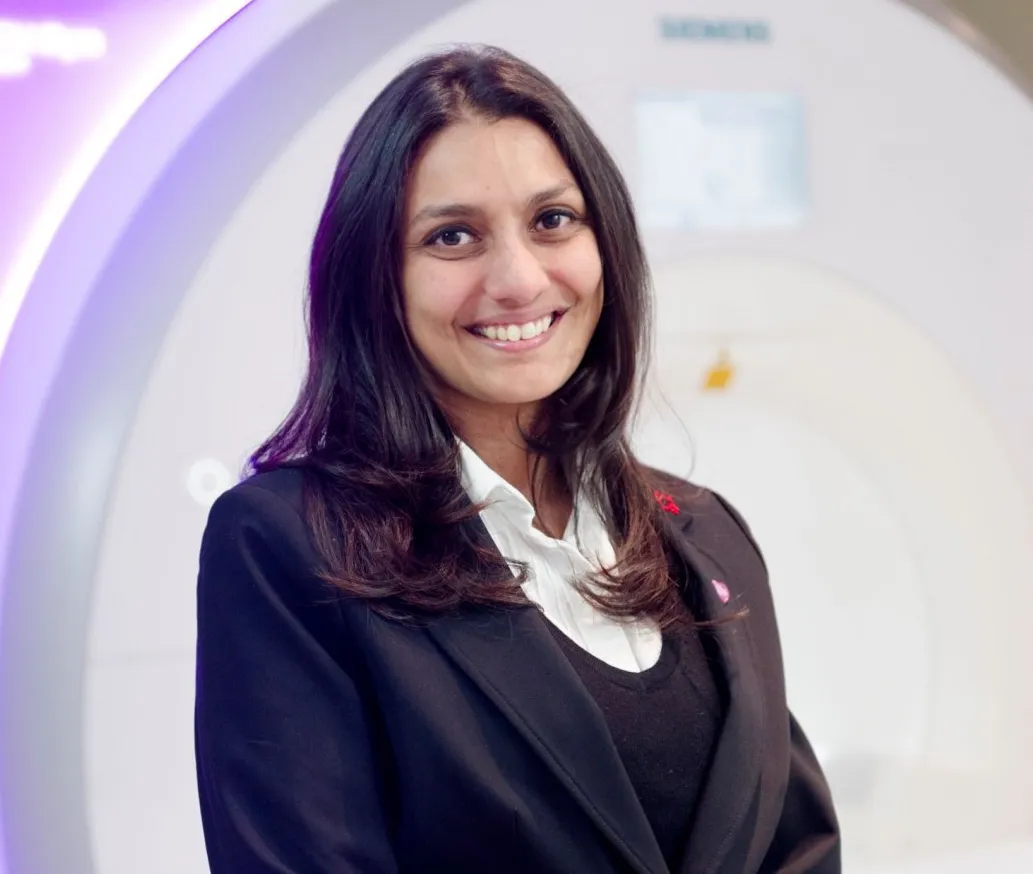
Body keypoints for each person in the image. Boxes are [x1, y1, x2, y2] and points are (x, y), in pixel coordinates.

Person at [194, 44, 840, 874]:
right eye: (452, 236)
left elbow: (799, 848)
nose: (518, 279)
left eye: (551, 221)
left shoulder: (709, 533)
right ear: (374, 278)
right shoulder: (288, 546)